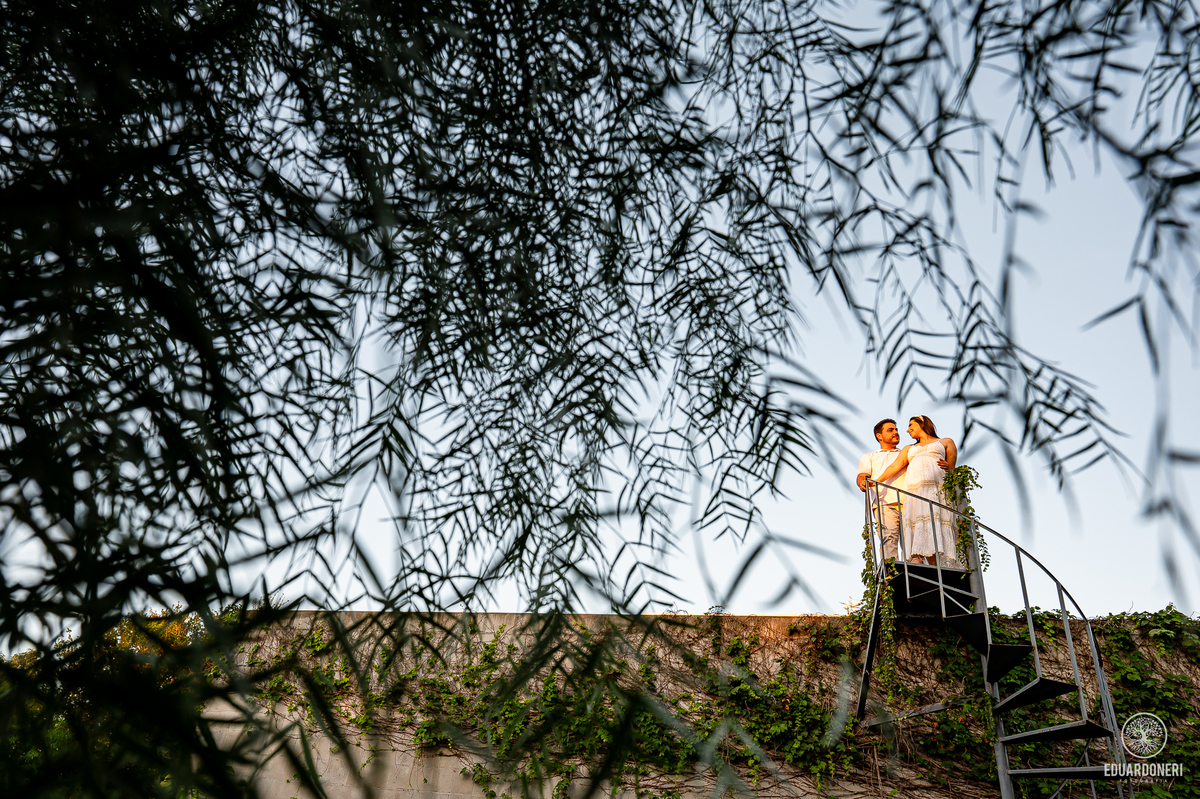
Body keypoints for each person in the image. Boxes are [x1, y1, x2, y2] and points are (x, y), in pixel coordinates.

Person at [875, 415, 961, 567]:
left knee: (935, 520)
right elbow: (895, 466)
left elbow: (952, 470)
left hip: (937, 489)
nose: (907, 430)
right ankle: (917, 557)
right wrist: (877, 481)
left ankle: (937, 563)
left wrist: (949, 468)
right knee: (917, 522)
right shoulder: (909, 448)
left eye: (910, 425)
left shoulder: (945, 442)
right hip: (916, 491)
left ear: (922, 423)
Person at [856, 419, 905, 561]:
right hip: (884, 504)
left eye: (896, 429)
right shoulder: (870, 456)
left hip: (909, 502)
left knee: (912, 543)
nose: (895, 432)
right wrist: (862, 482)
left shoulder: (905, 453)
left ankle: (912, 572)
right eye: (890, 430)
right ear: (879, 436)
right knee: (888, 540)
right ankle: (891, 571)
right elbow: (862, 475)